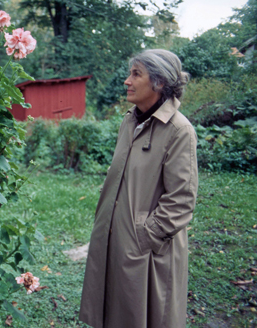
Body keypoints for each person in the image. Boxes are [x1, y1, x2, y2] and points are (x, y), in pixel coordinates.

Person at [79, 49, 198, 328]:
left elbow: (181, 200)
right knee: (113, 311)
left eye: (136, 74)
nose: (127, 81)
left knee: (144, 315)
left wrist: (144, 236)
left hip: (147, 248)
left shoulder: (179, 131)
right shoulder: (130, 120)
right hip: (115, 236)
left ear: (158, 82)